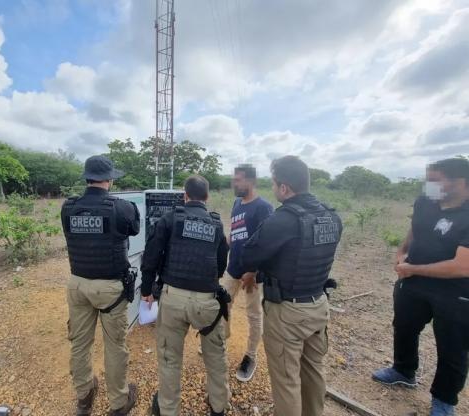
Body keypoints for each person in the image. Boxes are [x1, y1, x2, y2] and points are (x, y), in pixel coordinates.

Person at [242, 155, 342, 416]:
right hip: (319, 305)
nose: (273, 189)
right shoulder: (331, 217)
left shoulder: (283, 219)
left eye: (274, 184)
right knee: (313, 372)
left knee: (287, 380)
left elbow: (249, 256)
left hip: (288, 311)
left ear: (284, 187)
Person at [372, 158, 469, 416]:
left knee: (452, 346)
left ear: (460, 182)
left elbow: (462, 266)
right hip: (413, 283)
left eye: (435, 179)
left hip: (456, 292)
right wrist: (402, 251)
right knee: (404, 327)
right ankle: (403, 370)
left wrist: (413, 268)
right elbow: (415, 229)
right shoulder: (425, 202)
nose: (429, 186)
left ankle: (444, 401)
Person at [141, 175, 231, 416]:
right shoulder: (216, 223)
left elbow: (151, 255)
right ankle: (218, 407)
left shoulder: (169, 219)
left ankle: (169, 409)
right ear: (207, 197)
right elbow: (222, 262)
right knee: (216, 358)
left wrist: (147, 289)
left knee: (170, 358)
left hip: (173, 299)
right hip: (207, 302)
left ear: (185, 195)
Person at [61, 155, 140, 416]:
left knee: (80, 343)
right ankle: (119, 402)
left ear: (87, 178)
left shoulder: (68, 207)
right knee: (115, 345)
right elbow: (135, 229)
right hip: (109, 290)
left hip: (78, 284)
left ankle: (84, 397)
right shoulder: (122, 207)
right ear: (110, 179)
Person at [223, 164, 273, 382]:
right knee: (222, 305)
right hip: (233, 267)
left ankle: (250, 357)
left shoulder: (264, 208)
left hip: (253, 274)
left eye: (239, 179)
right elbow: (235, 233)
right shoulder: (237, 203)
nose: (235, 183)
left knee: (254, 315)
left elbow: (267, 244)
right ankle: (221, 344)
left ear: (251, 181)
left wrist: (253, 271)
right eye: (234, 179)